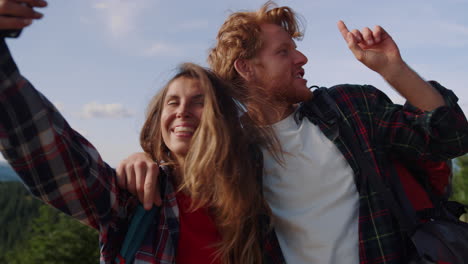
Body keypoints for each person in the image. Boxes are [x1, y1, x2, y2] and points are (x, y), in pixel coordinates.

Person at [118, 2, 468, 263]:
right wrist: (145, 157)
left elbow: (450, 136)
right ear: (247, 68)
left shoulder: (349, 108)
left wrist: (395, 70)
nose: (301, 58)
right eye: (283, 51)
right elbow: (182, 171)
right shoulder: (231, 151)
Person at [0, 1, 286, 263]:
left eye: (199, 102)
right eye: (172, 102)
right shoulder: (137, 200)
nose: (182, 111)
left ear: (223, 119)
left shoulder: (257, 195)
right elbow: (46, 149)